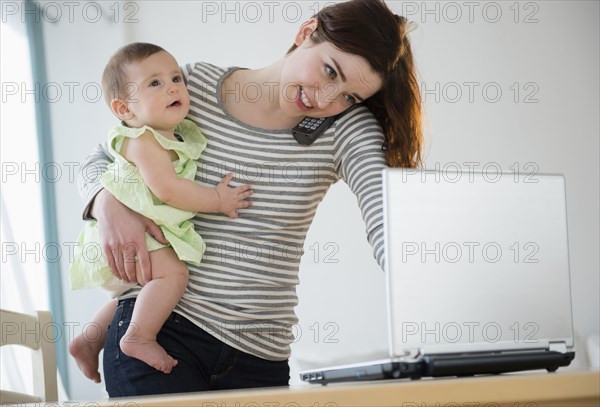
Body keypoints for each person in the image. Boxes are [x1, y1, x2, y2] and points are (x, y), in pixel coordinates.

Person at [76, 0, 423, 396]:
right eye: (329, 71)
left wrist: (425, 275)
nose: (326, 99)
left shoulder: (346, 128)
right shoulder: (194, 87)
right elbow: (102, 157)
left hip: (260, 357)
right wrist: (105, 204)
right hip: (160, 332)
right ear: (306, 31)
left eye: (348, 96)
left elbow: (386, 224)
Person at [69, 42, 253, 383]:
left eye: (176, 78)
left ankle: (89, 338)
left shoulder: (169, 137)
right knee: (173, 277)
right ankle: (138, 336)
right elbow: (168, 189)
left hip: (135, 240)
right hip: (126, 236)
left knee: (144, 290)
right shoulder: (144, 140)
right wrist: (217, 199)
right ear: (125, 108)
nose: (172, 87)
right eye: (155, 83)